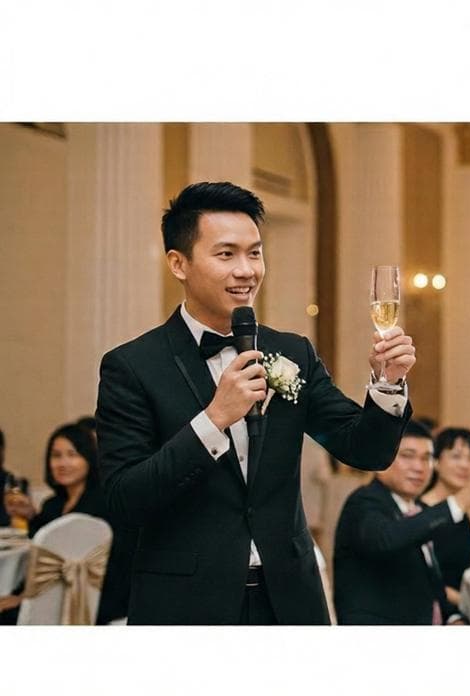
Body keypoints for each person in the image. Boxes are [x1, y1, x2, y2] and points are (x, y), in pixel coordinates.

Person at [95, 182, 418, 625]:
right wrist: (213, 420)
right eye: (226, 254)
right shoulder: (132, 367)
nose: (247, 270)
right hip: (186, 605)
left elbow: (365, 450)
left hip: (289, 599)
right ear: (179, 263)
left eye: (255, 253)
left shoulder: (292, 352)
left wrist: (387, 385)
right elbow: (122, 499)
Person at [333, 421, 470, 624]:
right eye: (407, 456)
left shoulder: (414, 508)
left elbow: (430, 582)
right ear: (381, 459)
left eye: (426, 458)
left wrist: (454, 618)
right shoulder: (365, 501)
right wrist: (457, 503)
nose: (418, 467)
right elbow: (386, 539)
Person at [0, 423, 136, 624]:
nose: (63, 463)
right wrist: (31, 515)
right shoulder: (52, 505)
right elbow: (41, 558)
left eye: (72, 455)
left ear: (89, 459)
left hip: (95, 598)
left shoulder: (103, 504)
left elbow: (115, 567)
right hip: (49, 595)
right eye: (56, 456)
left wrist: (23, 598)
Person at [420, 428, 470, 609]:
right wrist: (467, 605)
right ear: (436, 462)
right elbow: (422, 581)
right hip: (434, 606)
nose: (465, 465)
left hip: (469, 602)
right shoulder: (420, 513)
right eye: (456, 457)